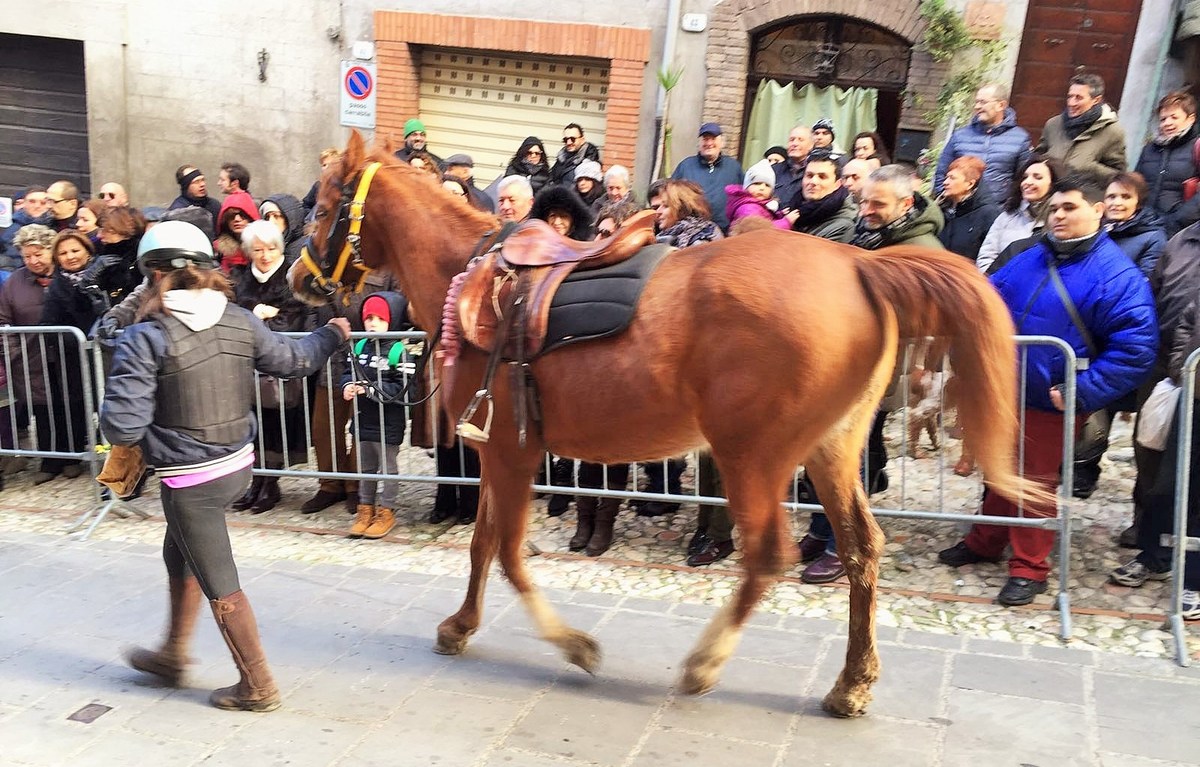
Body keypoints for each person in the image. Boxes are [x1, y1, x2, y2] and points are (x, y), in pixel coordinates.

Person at [102, 220, 350, 711]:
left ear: (150, 276)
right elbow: (294, 358)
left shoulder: (145, 337)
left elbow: (122, 429)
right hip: (237, 467)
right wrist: (331, 333)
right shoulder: (239, 319)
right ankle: (173, 653)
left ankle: (257, 685)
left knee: (222, 583)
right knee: (180, 552)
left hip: (190, 481)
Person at [939, 175, 1157, 606]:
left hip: (1052, 400)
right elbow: (988, 301)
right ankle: (986, 541)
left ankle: (1030, 567)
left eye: (1069, 208)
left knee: (1034, 484)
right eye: (1054, 208)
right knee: (999, 469)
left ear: (1097, 210)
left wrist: (1083, 389)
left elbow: (1136, 346)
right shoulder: (1029, 257)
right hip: (1004, 390)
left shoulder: (1117, 276)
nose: (1057, 215)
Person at [797, 165, 948, 584]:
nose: (867, 210)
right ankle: (819, 531)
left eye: (877, 204)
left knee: (850, 461)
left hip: (880, 372)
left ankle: (840, 545)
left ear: (906, 202)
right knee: (822, 455)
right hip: (843, 366)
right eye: (863, 201)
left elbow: (924, 323)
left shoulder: (923, 250)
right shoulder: (867, 236)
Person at [1108, 290, 1200, 619]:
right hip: (1193, 397)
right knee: (1168, 486)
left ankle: (1194, 581)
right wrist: (1182, 365)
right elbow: (1188, 321)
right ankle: (1154, 558)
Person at [229, 220, 310, 513]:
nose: (265, 255)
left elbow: (292, 320)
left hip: (278, 363)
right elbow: (236, 318)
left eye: (271, 248)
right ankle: (256, 481)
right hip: (247, 364)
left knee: (277, 425)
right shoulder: (241, 280)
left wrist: (260, 320)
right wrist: (257, 314)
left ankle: (270, 483)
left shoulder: (289, 279)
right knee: (253, 426)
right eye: (259, 250)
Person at [342, 291, 411, 540]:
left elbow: (404, 388)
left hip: (388, 421)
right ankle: (365, 508)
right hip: (363, 419)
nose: (372, 322)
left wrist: (370, 390)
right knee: (366, 468)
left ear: (391, 321)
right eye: (368, 317)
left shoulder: (398, 351)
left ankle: (387, 510)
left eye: (379, 318)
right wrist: (347, 386)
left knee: (387, 469)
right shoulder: (359, 345)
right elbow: (347, 372)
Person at [38, 230, 105, 484]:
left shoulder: (103, 275)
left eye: (75, 250)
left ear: (88, 251)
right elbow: (48, 324)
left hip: (107, 353)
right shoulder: (57, 286)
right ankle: (74, 457)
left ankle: (120, 459)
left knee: (109, 407)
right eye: (63, 253)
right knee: (75, 406)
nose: (70, 256)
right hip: (73, 357)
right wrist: (78, 338)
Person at [934, 84, 1032, 204]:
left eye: (983, 102)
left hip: (998, 213)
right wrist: (948, 204)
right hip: (960, 212)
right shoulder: (960, 136)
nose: (977, 107)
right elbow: (941, 173)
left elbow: (1023, 179)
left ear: (1001, 105)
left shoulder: (1019, 139)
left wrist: (1010, 209)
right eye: (976, 102)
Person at [976, 156, 1065, 274]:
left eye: (1037, 177)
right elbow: (986, 256)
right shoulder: (1007, 216)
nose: (1027, 182)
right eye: (1025, 177)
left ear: (1053, 184)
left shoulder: (1060, 220)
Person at [1035, 73, 1127, 181]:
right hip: (1051, 195)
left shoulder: (1113, 131)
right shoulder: (1053, 124)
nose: (1071, 103)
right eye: (1070, 96)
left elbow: (1118, 177)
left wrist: (1089, 168)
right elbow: (1038, 157)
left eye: (1078, 98)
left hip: (1085, 196)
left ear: (1096, 100)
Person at [1135, 90, 1200, 238]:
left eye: (1174, 117)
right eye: (1163, 119)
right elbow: (1136, 185)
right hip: (1144, 225)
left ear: (1191, 119)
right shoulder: (1149, 149)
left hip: (1181, 231)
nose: (1167, 123)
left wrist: (1178, 220)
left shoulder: (1197, 147)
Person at [671, 123, 744, 232]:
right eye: (705, 139)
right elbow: (671, 195)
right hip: (691, 232)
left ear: (722, 142)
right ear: (699, 143)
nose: (709, 143)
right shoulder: (686, 166)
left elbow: (743, 196)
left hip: (725, 232)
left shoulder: (734, 167)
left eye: (713, 139)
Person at [937, 156, 1003, 262]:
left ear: (970, 184)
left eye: (952, 178)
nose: (945, 182)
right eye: (946, 177)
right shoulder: (942, 208)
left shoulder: (988, 214)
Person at [1104, 172, 1168, 278]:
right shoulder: (1097, 228)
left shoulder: (1154, 238)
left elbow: (1144, 283)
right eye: (1111, 197)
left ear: (1138, 203)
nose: (1116, 203)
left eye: (1126, 197)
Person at [784, 151, 857, 243]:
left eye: (822, 177)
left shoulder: (843, 226)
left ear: (837, 184)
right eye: (809, 175)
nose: (813, 182)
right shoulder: (791, 209)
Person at [649, 178, 724, 248]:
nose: (658, 212)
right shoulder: (656, 236)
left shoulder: (701, 237)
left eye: (666, 206)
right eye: (655, 208)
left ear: (682, 207)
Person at [725, 159, 791, 231]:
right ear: (746, 187)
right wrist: (786, 222)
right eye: (757, 183)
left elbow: (765, 218)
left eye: (767, 185)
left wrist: (779, 215)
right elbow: (757, 232)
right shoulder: (748, 207)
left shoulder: (760, 205)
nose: (762, 188)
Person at [213, 191, 261, 278]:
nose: (237, 219)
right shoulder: (218, 249)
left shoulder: (263, 246)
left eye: (243, 215)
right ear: (225, 221)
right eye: (231, 216)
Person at [530, 185, 594, 240]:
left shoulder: (584, 249)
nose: (556, 222)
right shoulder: (536, 246)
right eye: (552, 216)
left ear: (573, 221)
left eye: (563, 216)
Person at [548, 122, 601, 187]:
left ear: (582, 140)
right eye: (565, 139)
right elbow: (551, 179)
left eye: (572, 139)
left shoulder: (590, 161)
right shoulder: (561, 158)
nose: (569, 142)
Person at [773, 125, 814, 207]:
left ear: (811, 145)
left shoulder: (814, 173)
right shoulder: (774, 170)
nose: (795, 144)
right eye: (792, 140)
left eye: (800, 140)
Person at [302, 148, 341, 221]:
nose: (326, 168)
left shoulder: (343, 187)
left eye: (330, 164)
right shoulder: (318, 185)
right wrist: (313, 216)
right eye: (324, 165)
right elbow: (306, 205)